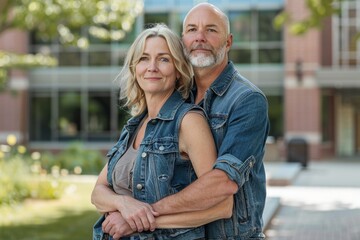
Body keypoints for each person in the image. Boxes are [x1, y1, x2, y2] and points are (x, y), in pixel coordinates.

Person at [91, 24, 233, 240]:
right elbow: (98, 192)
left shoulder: (188, 121)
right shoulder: (135, 125)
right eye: (144, 58)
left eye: (164, 59)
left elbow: (222, 206)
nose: (152, 67)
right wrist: (123, 203)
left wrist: (138, 221)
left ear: (178, 70)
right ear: (134, 68)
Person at [150, 3, 270, 239]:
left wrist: (147, 213)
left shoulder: (247, 100)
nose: (200, 37)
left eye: (211, 30)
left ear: (228, 42)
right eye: (192, 30)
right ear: (183, 39)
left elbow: (223, 183)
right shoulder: (176, 97)